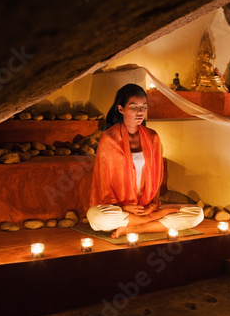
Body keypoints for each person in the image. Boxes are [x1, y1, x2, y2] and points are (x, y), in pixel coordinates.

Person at [87, 84, 203, 238]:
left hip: (146, 207)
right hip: (122, 209)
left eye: (143, 107)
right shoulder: (108, 139)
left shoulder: (153, 137)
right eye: (134, 107)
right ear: (121, 109)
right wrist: (123, 207)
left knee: (197, 213)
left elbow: (156, 178)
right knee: (97, 216)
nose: (140, 112)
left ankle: (133, 228)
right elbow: (102, 182)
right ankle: (153, 221)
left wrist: (153, 206)